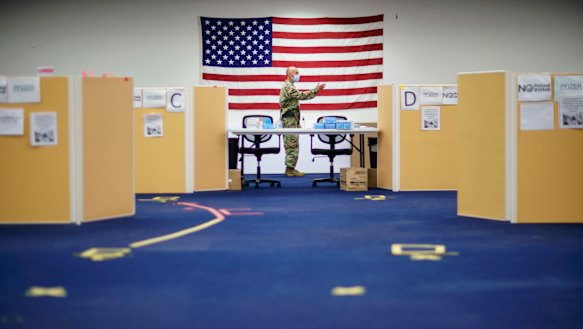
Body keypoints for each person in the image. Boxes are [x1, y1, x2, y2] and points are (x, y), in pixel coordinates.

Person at [279, 66, 326, 176]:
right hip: (289, 121)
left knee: (292, 144)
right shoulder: (288, 87)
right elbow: (301, 96)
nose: (298, 74)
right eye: (296, 72)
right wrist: (316, 90)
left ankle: (290, 168)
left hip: (292, 120)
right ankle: (290, 170)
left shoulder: (289, 86)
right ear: (290, 75)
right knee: (292, 145)